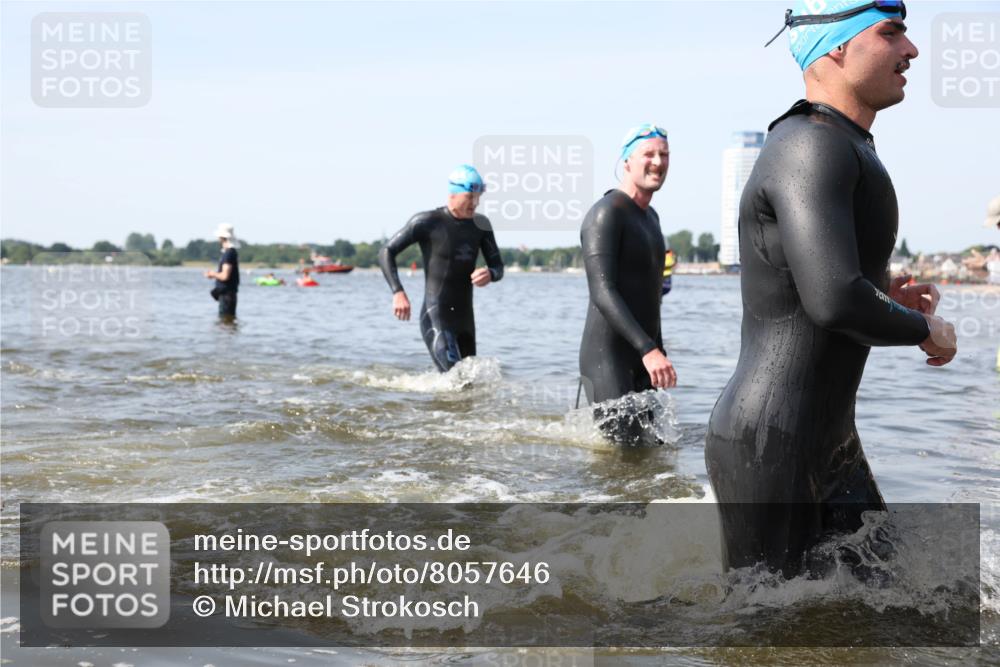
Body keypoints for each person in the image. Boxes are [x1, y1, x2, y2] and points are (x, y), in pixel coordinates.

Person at [707, 0, 959, 576]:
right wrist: (928, 330)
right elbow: (834, 299)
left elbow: (818, 286)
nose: (912, 51)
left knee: (892, 605)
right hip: (771, 442)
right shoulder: (809, 144)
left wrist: (885, 291)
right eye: (892, 34)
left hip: (825, 439)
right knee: (761, 634)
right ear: (838, 46)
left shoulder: (842, 142)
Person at [579, 124, 678, 446]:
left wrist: (657, 348)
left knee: (651, 452)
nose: (658, 162)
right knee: (624, 458)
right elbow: (603, 292)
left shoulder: (652, 219)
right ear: (626, 162)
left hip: (642, 355)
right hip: (606, 357)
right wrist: (648, 348)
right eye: (648, 154)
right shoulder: (607, 213)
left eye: (664, 154)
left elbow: (652, 296)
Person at [378, 165, 504, 372]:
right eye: (470, 196)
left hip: (466, 322)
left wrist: (490, 274)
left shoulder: (482, 225)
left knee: (468, 382)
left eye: (478, 196)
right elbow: (386, 251)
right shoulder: (427, 222)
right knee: (454, 378)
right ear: (453, 194)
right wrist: (398, 292)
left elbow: (498, 267)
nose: (476, 202)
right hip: (436, 315)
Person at [204, 224, 240, 320]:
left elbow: (225, 276)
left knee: (225, 321)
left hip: (227, 295)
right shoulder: (230, 252)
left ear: (222, 237)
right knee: (227, 322)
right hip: (228, 294)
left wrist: (212, 274)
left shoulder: (229, 253)